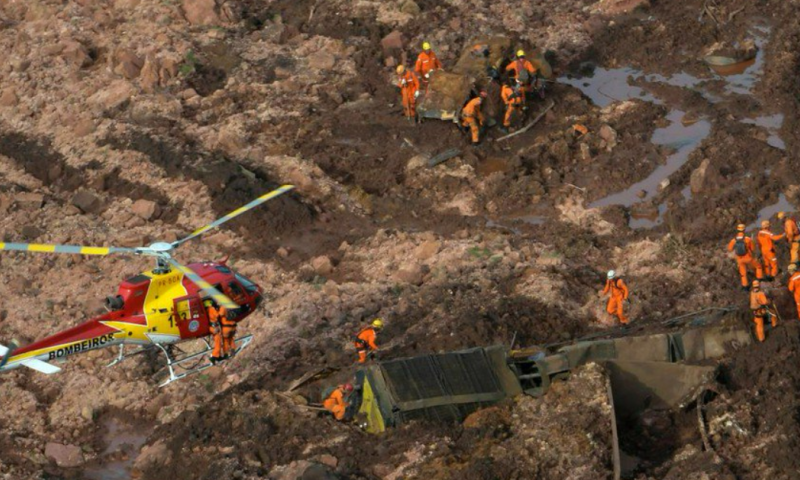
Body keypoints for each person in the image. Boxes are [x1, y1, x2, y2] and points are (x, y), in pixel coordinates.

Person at [727, 224, 763, 290]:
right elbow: (752, 249)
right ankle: (759, 280)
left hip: (739, 259)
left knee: (743, 273)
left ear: (737, 230)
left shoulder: (733, 240)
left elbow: (729, 248)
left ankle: (745, 286)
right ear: (744, 230)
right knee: (758, 266)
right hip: (748, 258)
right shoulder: (747, 239)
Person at [205, 299, 225, 364]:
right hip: (214, 328)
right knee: (218, 342)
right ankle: (213, 357)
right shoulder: (212, 309)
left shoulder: (207, 310)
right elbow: (217, 315)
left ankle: (217, 356)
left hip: (212, 328)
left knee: (217, 341)